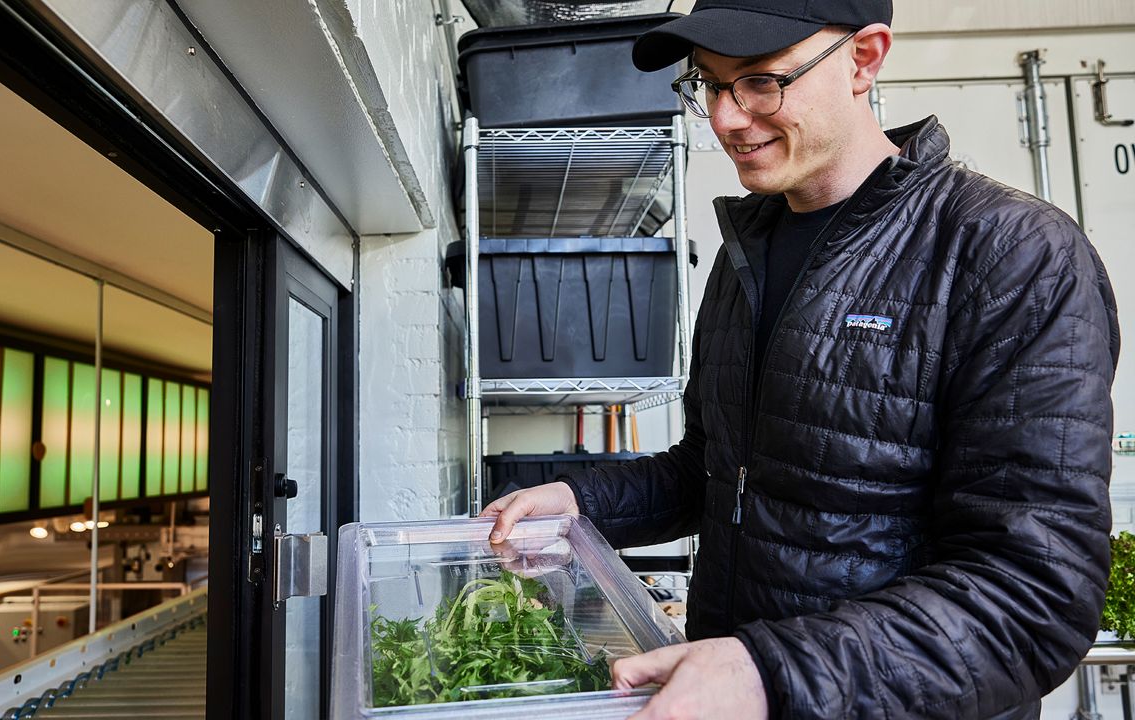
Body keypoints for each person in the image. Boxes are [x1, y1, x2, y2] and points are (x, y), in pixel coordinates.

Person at [480, 1, 1121, 718]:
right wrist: (582, 505)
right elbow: (717, 469)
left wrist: (769, 672)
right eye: (711, 85)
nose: (726, 119)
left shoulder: (1009, 253)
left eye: (760, 81)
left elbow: (1033, 592)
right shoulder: (745, 257)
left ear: (866, 58)